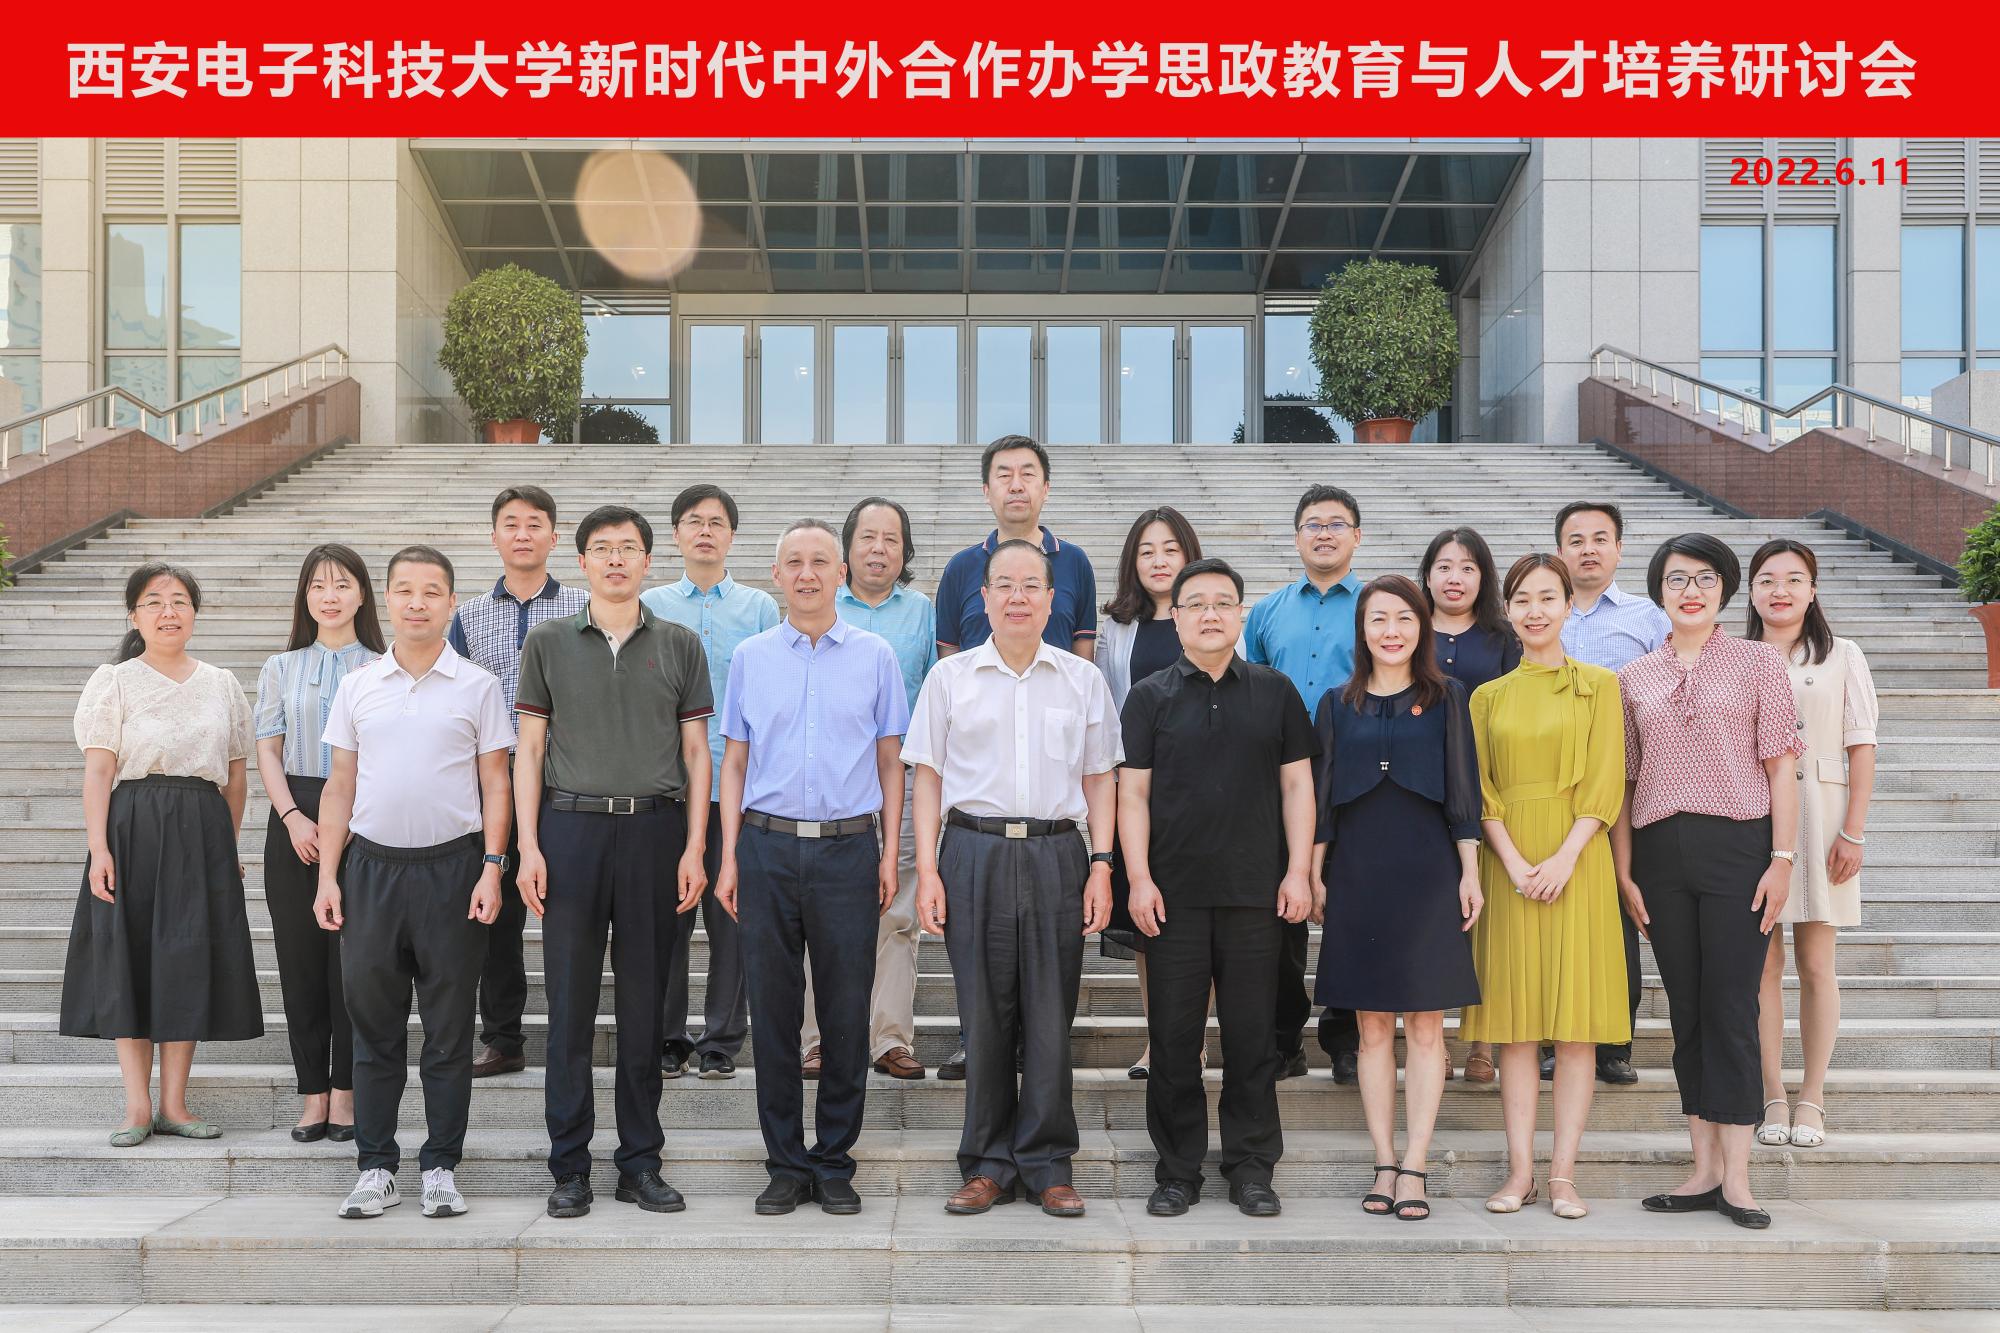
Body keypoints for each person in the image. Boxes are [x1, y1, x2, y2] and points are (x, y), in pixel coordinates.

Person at [905, 539, 1122, 1218]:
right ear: (985, 597)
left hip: (1058, 853)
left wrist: (1101, 863)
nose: (1018, 596)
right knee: (984, 1015)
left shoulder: (1081, 679)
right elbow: (927, 777)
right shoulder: (951, 678)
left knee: (1052, 1015)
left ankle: (1049, 1162)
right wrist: (929, 870)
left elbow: (1101, 777)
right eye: (1005, 584)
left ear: (1052, 600)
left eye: (1032, 585)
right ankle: (988, 1162)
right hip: (974, 852)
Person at [514, 505, 714, 1219]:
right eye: (602, 548)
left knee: (643, 1009)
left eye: (628, 548)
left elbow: (697, 754)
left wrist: (695, 847)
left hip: (655, 833)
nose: (616, 559)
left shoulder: (681, 643)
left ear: (648, 561)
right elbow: (529, 749)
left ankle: (640, 1162)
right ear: (583, 562)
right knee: (569, 1008)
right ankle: (569, 1167)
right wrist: (528, 846)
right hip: (570, 833)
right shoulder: (547, 641)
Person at [714, 519, 910, 1216]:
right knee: (771, 1011)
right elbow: (733, 762)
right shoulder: (751, 657)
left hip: (847, 849)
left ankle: (833, 1161)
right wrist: (730, 855)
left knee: (846, 1009)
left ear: (840, 573)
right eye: (793, 561)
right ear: (776, 575)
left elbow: (891, 761)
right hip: (765, 848)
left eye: (819, 561)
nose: (806, 573)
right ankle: (785, 1164)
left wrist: (888, 852)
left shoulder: (876, 656)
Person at [314, 546, 513, 1221]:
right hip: (371, 871)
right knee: (374, 1029)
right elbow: (340, 785)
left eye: (432, 591)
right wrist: (328, 876)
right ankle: (376, 1166)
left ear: (452, 603)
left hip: (453, 872)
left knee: (449, 1032)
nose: (418, 602)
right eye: (405, 590)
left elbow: (495, 783)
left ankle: (440, 1168)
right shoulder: (358, 685)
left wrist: (492, 866)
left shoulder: (478, 686)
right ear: (388, 600)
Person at [1614, 533, 1804, 1231]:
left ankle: (1739, 1178)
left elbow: (1781, 766)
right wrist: (1624, 870)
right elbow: (1626, 781)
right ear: (1658, 592)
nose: (1689, 591)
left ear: (1724, 587)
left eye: (1703, 578)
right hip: (1659, 854)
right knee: (1687, 1010)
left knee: (1730, 1007)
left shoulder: (1759, 663)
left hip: (1738, 849)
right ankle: (1702, 1171)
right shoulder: (1633, 676)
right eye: (1675, 579)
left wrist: (1782, 859)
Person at [1118, 558, 1317, 1219]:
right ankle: (1177, 1170)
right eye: (1196, 603)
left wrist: (1297, 870)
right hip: (1171, 896)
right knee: (1174, 1039)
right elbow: (1132, 793)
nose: (1210, 613)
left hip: (1257, 893)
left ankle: (1251, 1168)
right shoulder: (1148, 696)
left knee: (1252, 1038)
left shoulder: (1275, 691)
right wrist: (1138, 878)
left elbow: (1298, 785)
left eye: (1223, 602)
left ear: (1241, 615)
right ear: (1175, 617)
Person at [63, 563, 262, 1147]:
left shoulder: (222, 683)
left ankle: (175, 1103)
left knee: (187, 959)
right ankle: (136, 1106)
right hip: (131, 829)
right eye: (153, 601)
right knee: (129, 959)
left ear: (195, 612)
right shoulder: (114, 681)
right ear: (134, 616)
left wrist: (226, 846)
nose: (168, 611)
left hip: (202, 831)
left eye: (179, 601)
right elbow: (98, 774)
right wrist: (99, 848)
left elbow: (235, 778)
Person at [1462, 554, 1630, 1222]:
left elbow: (1606, 778)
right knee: (1516, 1029)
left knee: (1577, 1027)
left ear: (1567, 605)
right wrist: (1509, 859)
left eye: (1547, 598)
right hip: (1509, 864)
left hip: (1578, 860)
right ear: (1508, 610)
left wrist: (1565, 856)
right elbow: (1480, 789)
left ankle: (1563, 1175)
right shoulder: (1487, 697)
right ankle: (1519, 1172)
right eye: (1523, 599)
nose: (1535, 610)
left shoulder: (1602, 686)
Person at [1311, 574, 1483, 1222]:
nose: (1391, 630)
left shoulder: (1448, 697)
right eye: (1378, 618)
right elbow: (1322, 800)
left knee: (1427, 1025)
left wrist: (1470, 872)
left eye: (1404, 618)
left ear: (1422, 626)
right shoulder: (1336, 703)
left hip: (1429, 871)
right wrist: (1314, 874)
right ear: (1362, 629)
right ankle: (1383, 1159)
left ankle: (1415, 1163)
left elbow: (1464, 791)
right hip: (1358, 872)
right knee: (1371, 1025)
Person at [930, 435, 1100, 1080]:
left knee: (1049, 997)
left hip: (1052, 802)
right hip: (980, 803)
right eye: (1004, 474)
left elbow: (1083, 652)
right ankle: (983, 1056)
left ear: (1046, 487)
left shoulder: (1075, 563)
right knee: (985, 984)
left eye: (1029, 473)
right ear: (987, 490)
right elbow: (949, 657)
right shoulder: (960, 569)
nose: (1017, 484)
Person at [448, 485, 588, 1080]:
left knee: (571, 913)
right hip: (494, 781)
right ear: (495, 537)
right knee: (497, 913)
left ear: (554, 537)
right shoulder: (469, 615)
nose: (523, 534)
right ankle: (503, 1037)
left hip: (569, 780)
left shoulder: (584, 605)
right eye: (511, 524)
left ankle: (570, 1035)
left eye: (534, 524)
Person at [640, 484, 779, 1081]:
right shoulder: (649, 604)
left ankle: (722, 1039)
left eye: (716, 522)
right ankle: (667, 1036)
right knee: (665, 921)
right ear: (675, 534)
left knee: (733, 916)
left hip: (736, 790)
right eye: (693, 521)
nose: (705, 531)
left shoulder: (759, 608)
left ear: (731, 536)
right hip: (665, 788)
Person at [1746, 539, 1878, 1151]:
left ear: (1813, 590)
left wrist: (1853, 830)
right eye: (1767, 579)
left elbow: (1862, 746)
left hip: (1823, 816)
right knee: (1763, 967)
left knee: (1818, 964)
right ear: (1750, 591)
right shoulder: (1736, 656)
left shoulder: (1843, 654)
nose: (1780, 590)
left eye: (1794, 579)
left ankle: (1813, 1096)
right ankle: (1772, 1092)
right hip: (1754, 818)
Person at [799, 497, 937, 1081]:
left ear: (904, 552)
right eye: (867, 537)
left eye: (891, 539)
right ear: (846, 550)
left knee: (898, 914)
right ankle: (818, 1041)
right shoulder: (822, 604)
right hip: (831, 786)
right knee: (818, 917)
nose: (879, 549)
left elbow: (936, 690)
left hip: (901, 780)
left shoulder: (923, 612)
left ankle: (889, 1038)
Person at [254, 545, 384, 1143]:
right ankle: (313, 1093)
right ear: (304, 597)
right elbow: (267, 748)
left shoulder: (383, 666)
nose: (329, 596)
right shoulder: (280, 667)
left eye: (342, 584)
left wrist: (349, 819)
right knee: (300, 962)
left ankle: (347, 1093)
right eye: (318, 586)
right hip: (294, 815)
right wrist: (291, 817)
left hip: (364, 818)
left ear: (362, 595)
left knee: (352, 966)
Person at [1245, 483, 1365, 1084]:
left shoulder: (1377, 606)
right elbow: (1248, 689)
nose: (1324, 533)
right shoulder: (1267, 611)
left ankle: (1347, 1039)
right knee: (1282, 908)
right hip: (1280, 778)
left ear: (1357, 537)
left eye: (1336, 524)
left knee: (1351, 907)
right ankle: (1282, 1038)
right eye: (1313, 524)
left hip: (1357, 774)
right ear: (1296, 538)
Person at [1554, 500, 1670, 1087]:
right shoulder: (1542, 613)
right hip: (1552, 790)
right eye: (1576, 540)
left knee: (1622, 914)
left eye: (1600, 538)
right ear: (1560, 552)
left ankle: (1614, 1041)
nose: (1589, 549)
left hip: (1629, 789)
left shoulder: (1649, 618)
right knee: (1556, 916)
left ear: (1620, 549)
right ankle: (1555, 1036)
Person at [1096, 506, 1203, 1079]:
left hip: (1202, 792)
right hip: (1138, 792)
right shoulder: (1116, 628)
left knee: (1198, 921)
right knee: (1149, 923)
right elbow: (1109, 707)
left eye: (1170, 549)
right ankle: (1158, 1040)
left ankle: (1194, 1041)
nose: (1159, 561)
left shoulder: (1210, 614)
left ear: (1189, 554)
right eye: (1147, 551)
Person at [1419, 525, 1520, 1086]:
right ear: (1427, 575)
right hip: (1423, 793)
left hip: (1491, 791)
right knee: (1436, 919)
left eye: (1467, 567)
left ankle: (1482, 1040)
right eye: (1444, 566)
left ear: (1484, 577)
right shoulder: (1410, 631)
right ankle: (1432, 1038)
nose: (1454, 578)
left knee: (1487, 921)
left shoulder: (1502, 638)